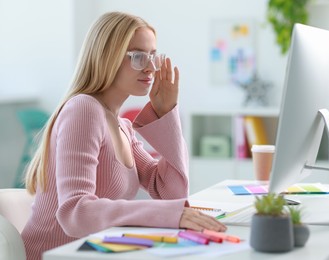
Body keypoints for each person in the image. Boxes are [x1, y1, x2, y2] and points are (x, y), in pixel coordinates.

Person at [21, 11, 226, 260]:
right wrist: (169, 214)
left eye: (153, 57)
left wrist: (166, 113)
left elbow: (171, 193)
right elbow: (75, 212)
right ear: (107, 57)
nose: (151, 67)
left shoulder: (121, 127)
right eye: (138, 56)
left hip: (96, 253)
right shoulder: (83, 109)